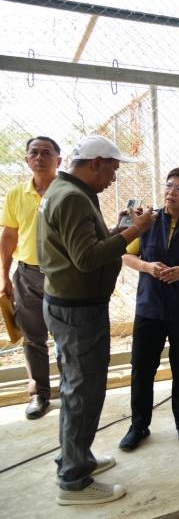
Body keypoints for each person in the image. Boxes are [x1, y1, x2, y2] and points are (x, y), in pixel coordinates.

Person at [38, 134, 156, 505]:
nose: (114, 178)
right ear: (95, 163)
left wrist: (118, 230)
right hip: (77, 311)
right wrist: (135, 231)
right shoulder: (72, 198)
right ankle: (73, 481)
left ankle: (76, 459)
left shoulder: (65, 191)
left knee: (77, 388)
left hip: (69, 304)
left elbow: (82, 244)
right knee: (83, 392)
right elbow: (87, 258)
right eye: (112, 169)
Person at [118, 167, 179, 451]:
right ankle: (138, 425)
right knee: (142, 368)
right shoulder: (148, 220)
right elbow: (125, 254)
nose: (171, 192)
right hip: (150, 308)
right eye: (169, 186)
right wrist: (146, 266)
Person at [0, 136, 60, 419]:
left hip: (61, 275)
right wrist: (4, 276)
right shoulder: (16, 194)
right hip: (26, 275)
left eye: (46, 152)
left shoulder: (66, 191)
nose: (39, 157)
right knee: (33, 338)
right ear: (26, 160)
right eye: (34, 153)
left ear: (59, 160)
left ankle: (71, 389)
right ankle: (39, 394)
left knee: (65, 336)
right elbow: (9, 236)